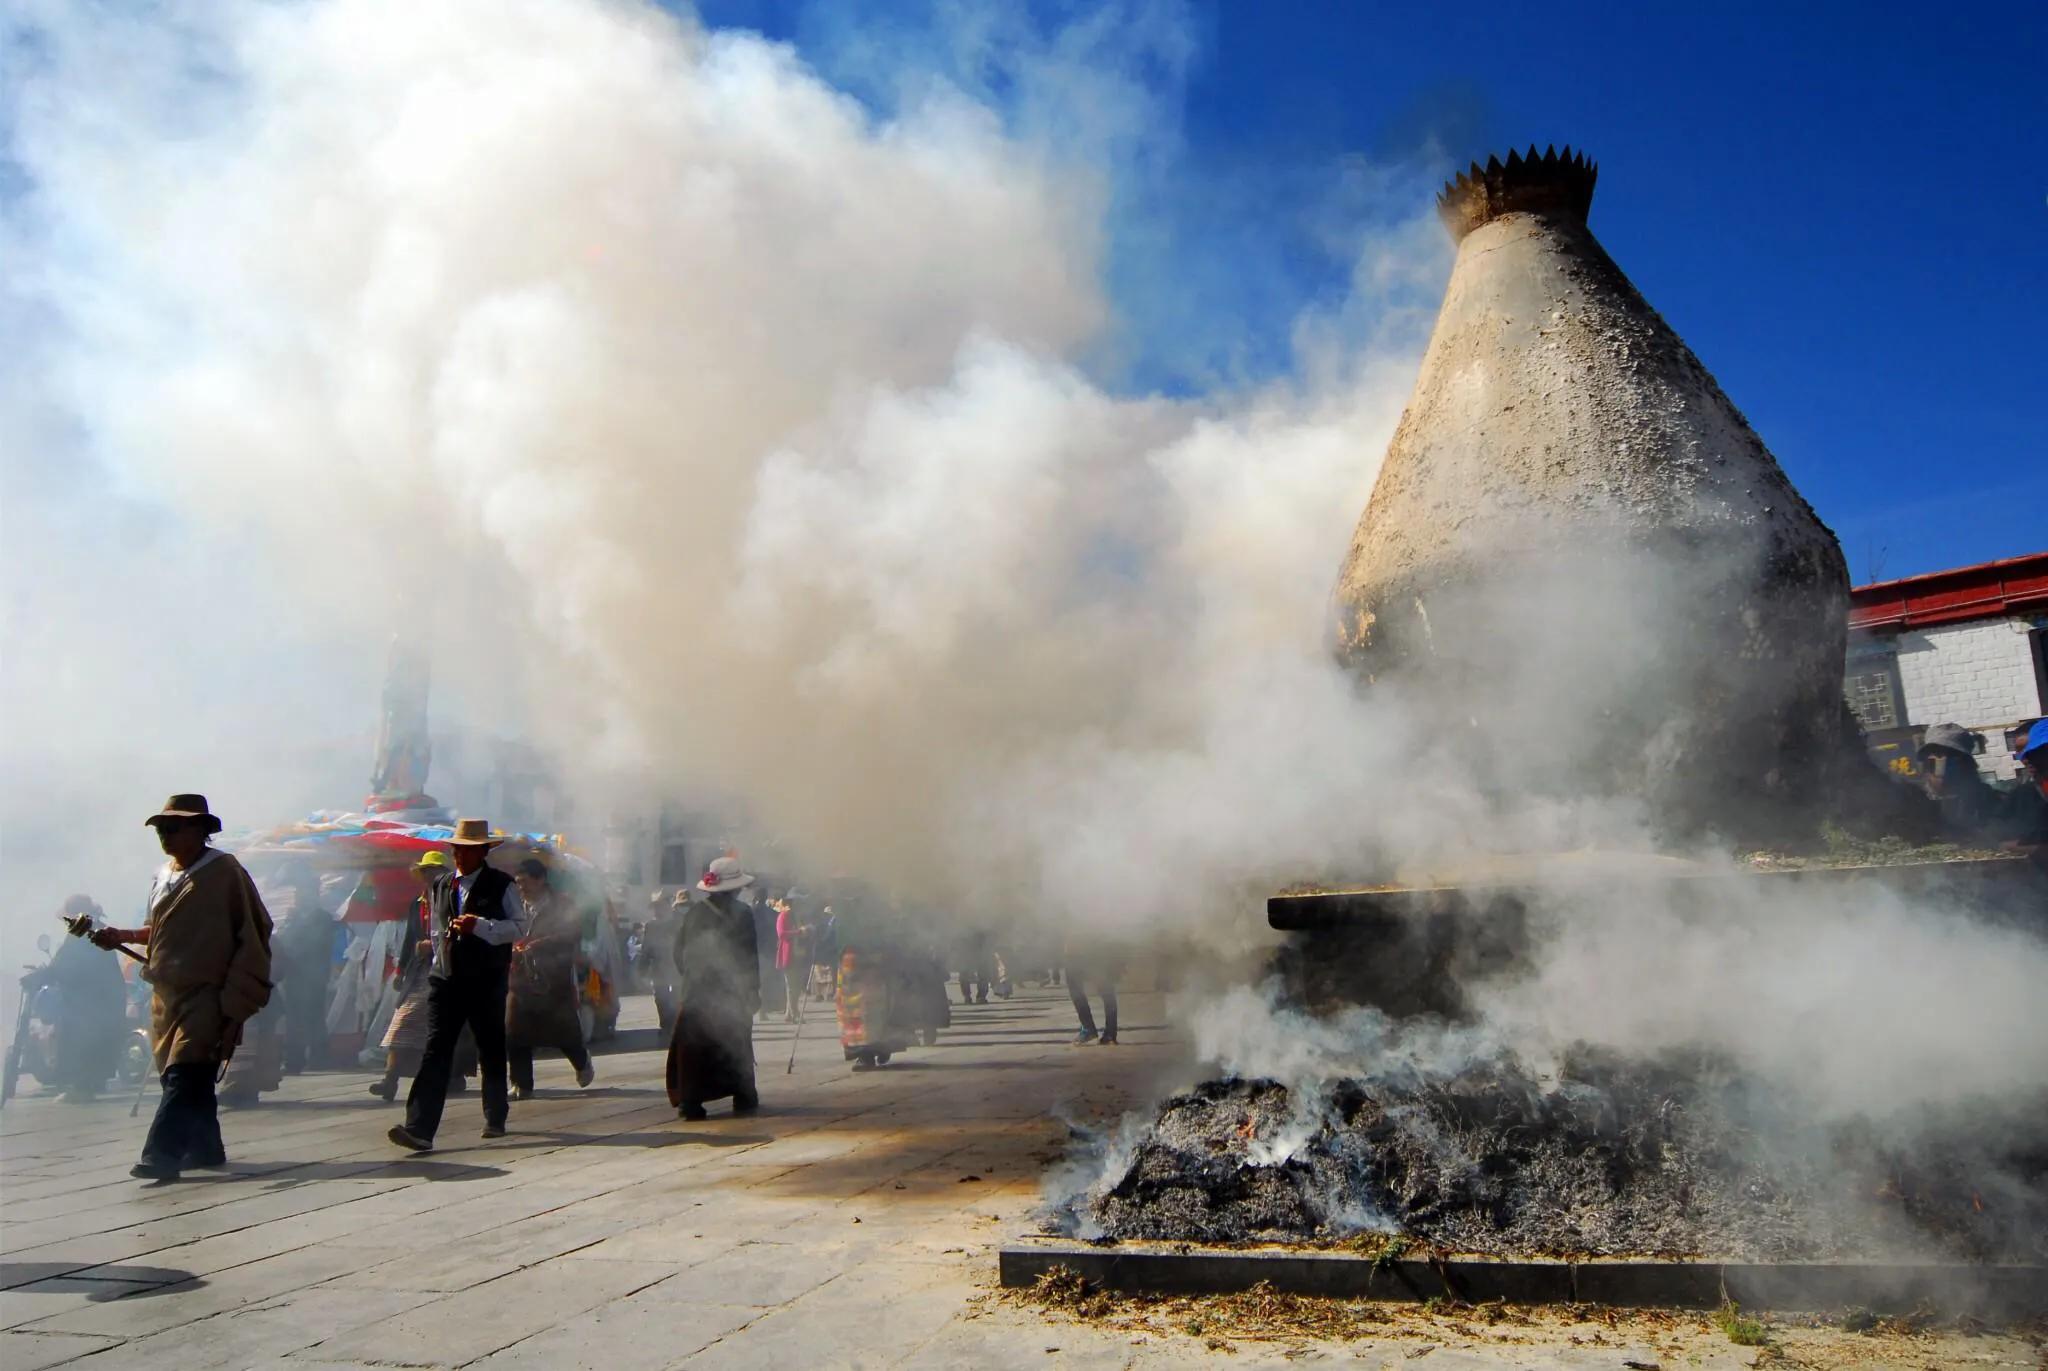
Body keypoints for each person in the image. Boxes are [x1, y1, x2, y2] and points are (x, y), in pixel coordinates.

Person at [91, 795, 273, 1181]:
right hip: (166, 993)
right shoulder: (162, 876)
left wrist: (239, 984)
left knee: (186, 1070)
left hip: (208, 990)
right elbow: (157, 930)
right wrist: (121, 935)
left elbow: (254, 927)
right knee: (190, 1074)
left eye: (173, 828)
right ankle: (206, 1148)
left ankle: (161, 1155)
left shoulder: (224, 872)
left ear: (200, 829)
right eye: (161, 829)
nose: (165, 835)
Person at [387, 818, 521, 1153]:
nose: (460, 855)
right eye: (457, 849)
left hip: (486, 978)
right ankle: (419, 1128)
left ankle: (495, 1115)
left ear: (483, 852)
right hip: (446, 979)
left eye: (468, 850)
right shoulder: (441, 885)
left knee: (490, 1046)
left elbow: (519, 927)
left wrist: (482, 927)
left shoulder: (502, 885)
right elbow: (435, 929)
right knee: (436, 1049)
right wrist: (439, 964)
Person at [370, 851, 476, 1102]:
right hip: (420, 973)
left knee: (445, 1028)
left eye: (435, 871)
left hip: (450, 971)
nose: (430, 877)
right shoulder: (418, 904)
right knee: (403, 1022)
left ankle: (450, 1075)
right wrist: (401, 970)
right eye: (426, 872)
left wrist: (438, 945)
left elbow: (467, 933)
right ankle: (390, 1079)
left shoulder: (457, 901)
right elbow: (410, 939)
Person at [665, 857, 760, 1120]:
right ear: (735, 888)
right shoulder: (742, 914)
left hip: (695, 993)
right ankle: (743, 1095)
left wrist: (691, 978)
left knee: (694, 1050)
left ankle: (690, 1103)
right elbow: (748, 956)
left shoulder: (694, 913)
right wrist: (753, 989)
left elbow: (678, 952)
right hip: (731, 992)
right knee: (736, 1044)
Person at [507, 859, 595, 1099]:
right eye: (518, 883)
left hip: (553, 977)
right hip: (520, 977)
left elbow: (572, 934)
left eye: (525, 882)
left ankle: (581, 1061)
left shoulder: (562, 904)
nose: (521, 887)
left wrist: (539, 945)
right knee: (514, 1028)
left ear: (541, 880)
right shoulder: (514, 905)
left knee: (561, 1029)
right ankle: (521, 1083)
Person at [47, 896, 129, 1102]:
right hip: (103, 998)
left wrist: (46, 974)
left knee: (81, 1039)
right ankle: (92, 1083)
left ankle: (82, 1087)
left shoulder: (86, 933)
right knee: (95, 1040)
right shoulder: (95, 929)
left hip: (91, 1001)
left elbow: (68, 965)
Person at [267, 862, 335, 1076]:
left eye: (303, 892)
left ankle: (318, 1058)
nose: (298, 897)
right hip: (294, 975)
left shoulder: (323, 918)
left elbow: (317, 944)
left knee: (314, 1017)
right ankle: (294, 1061)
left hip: (314, 974)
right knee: (294, 1018)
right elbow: (285, 940)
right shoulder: (293, 917)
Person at [1063, 931, 1120, 1046]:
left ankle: (1088, 1029)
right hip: (1102, 947)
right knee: (1107, 990)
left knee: (1076, 989)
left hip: (1079, 949)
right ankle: (1110, 1033)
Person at [775, 898, 809, 1024]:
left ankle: (789, 1014)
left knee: (796, 986)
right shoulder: (783, 916)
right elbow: (781, 934)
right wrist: (798, 932)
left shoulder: (795, 917)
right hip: (788, 955)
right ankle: (795, 1013)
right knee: (791, 986)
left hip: (798, 955)